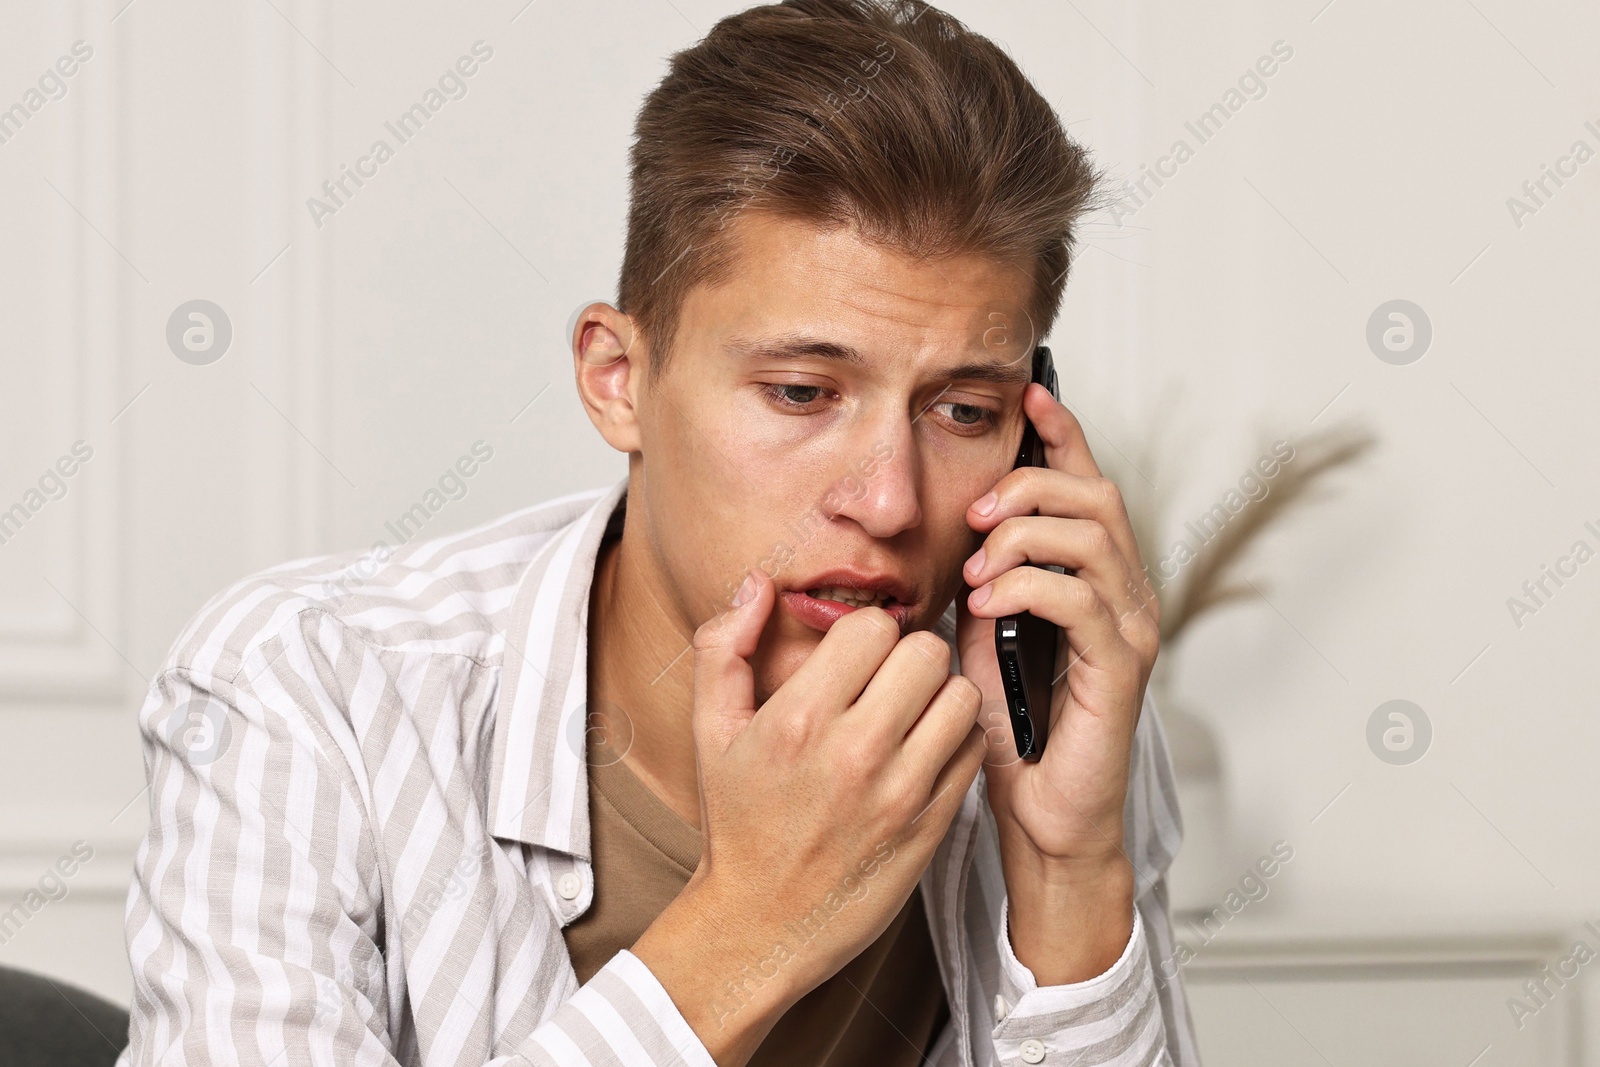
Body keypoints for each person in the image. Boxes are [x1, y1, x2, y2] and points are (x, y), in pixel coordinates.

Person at [118, 1, 1199, 1063]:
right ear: (618, 379)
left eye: (963, 410)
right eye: (800, 391)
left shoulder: (1043, 710)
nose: (889, 502)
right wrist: (749, 922)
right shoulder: (307, 689)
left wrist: (1066, 870)